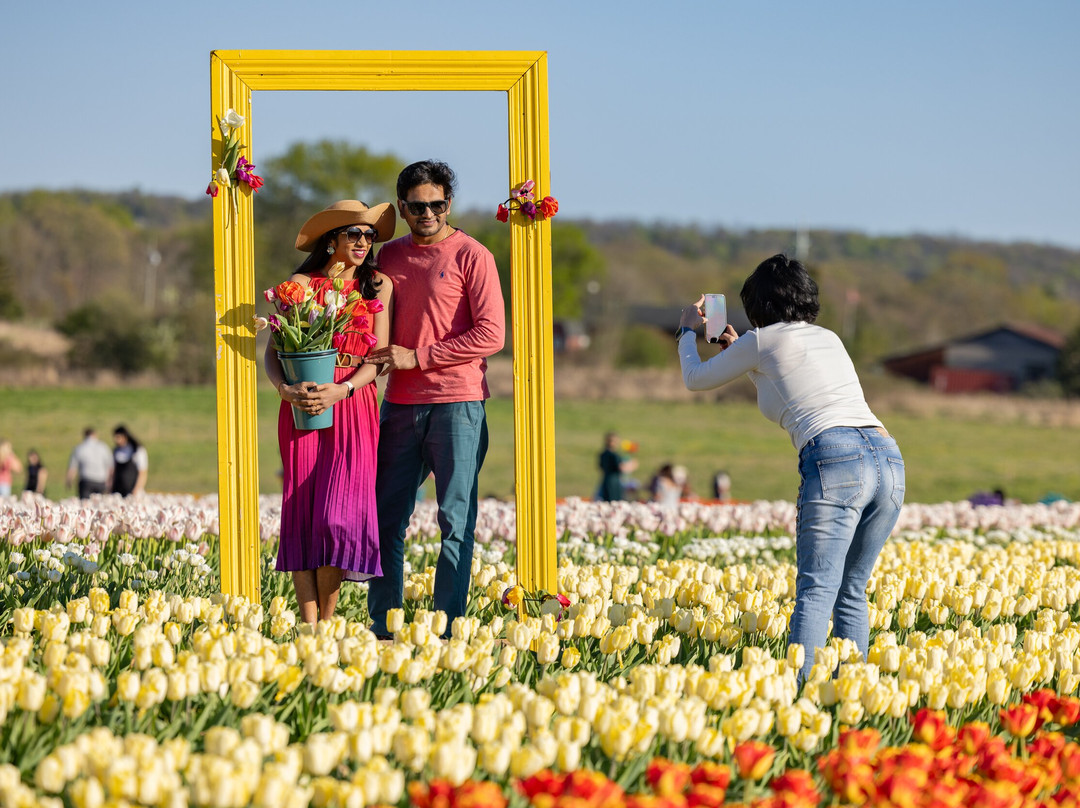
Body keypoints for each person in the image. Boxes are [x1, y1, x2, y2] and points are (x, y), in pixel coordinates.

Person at [677, 254, 905, 682]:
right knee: (851, 592)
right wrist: (738, 352)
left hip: (836, 459)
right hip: (888, 457)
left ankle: (799, 702)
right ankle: (851, 701)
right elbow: (786, 389)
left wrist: (687, 332)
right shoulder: (829, 338)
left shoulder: (761, 341)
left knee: (816, 590)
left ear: (758, 304)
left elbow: (695, 378)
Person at [363, 160, 506, 639]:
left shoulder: (473, 255)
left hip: (458, 404)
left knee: (455, 519)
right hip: (399, 405)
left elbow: (491, 334)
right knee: (386, 516)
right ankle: (384, 625)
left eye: (437, 204)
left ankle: (446, 630)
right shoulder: (386, 258)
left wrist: (418, 357)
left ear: (449, 204)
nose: (428, 213)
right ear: (402, 208)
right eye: (418, 205)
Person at [264, 199, 396, 625]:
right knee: (302, 510)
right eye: (354, 233)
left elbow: (376, 359)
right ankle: (310, 629)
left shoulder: (378, 286)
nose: (363, 242)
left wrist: (342, 389)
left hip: (353, 405)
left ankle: (328, 618)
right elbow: (274, 350)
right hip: (302, 407)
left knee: (338, 517)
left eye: (369, 235)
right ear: (331, 239)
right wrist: (285, 389)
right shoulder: (299, 284)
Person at [66, 428, 113, 499]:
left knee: (85, 504)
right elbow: (110, 466)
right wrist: (110, 481)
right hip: (100, 481)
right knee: (100, 505)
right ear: (95, 435)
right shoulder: (103, 447)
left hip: (86, 481)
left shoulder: (79, 448)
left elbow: (73, 467)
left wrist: (69, 481)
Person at [597, 432, 638, 501]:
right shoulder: (613, 455)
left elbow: (600, 467)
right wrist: (633, 465)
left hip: (606, 480)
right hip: (614, 482)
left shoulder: (603, 454)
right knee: (614, 501)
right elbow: (622, 468)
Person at [110, 425, 149, 496]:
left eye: (118, 437)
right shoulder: (116, 451)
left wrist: (137, 489)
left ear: (125, 436)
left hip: (132, 491)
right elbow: (113, 471)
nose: (116, 440)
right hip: (117, 491)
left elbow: (142, 472)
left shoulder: (137, 450)